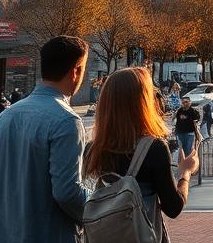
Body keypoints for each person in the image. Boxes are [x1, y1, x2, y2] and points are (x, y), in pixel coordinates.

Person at [0, 36, 91, 243]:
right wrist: (97, 206)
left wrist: (11, 224)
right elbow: (67, 192)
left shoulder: (7, 116)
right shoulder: (67, 121)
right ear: (76, 71)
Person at [84, 67, 197, 241]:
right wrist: (186, 173)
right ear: (142, 102)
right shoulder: (153, 148)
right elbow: (173, 207)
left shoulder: (94, 148)